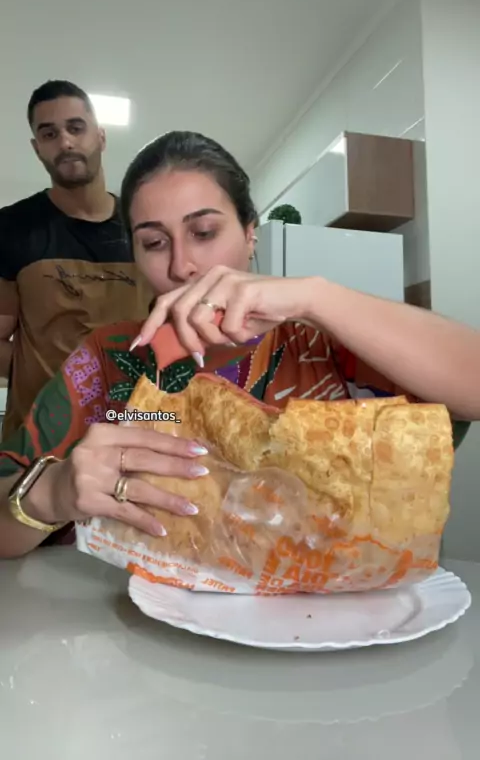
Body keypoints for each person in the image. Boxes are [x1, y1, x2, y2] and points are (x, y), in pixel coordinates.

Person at [0, 129, 478, 560]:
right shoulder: (110, 359)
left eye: (204, 232)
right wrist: (52, 493)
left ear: (251, 233)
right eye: (154, 243)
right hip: (136, 617)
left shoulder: (326, 345)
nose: (182, 266)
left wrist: (316, 297)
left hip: (331, 615)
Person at [0, 80, 152, 440]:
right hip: (37, 445)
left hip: (132, 432)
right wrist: (59, 381)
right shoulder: (10, 228)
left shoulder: (144, 228)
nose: (65, 142)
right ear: (37, 148)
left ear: (100, 136)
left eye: (76, 128)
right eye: (49, 134)